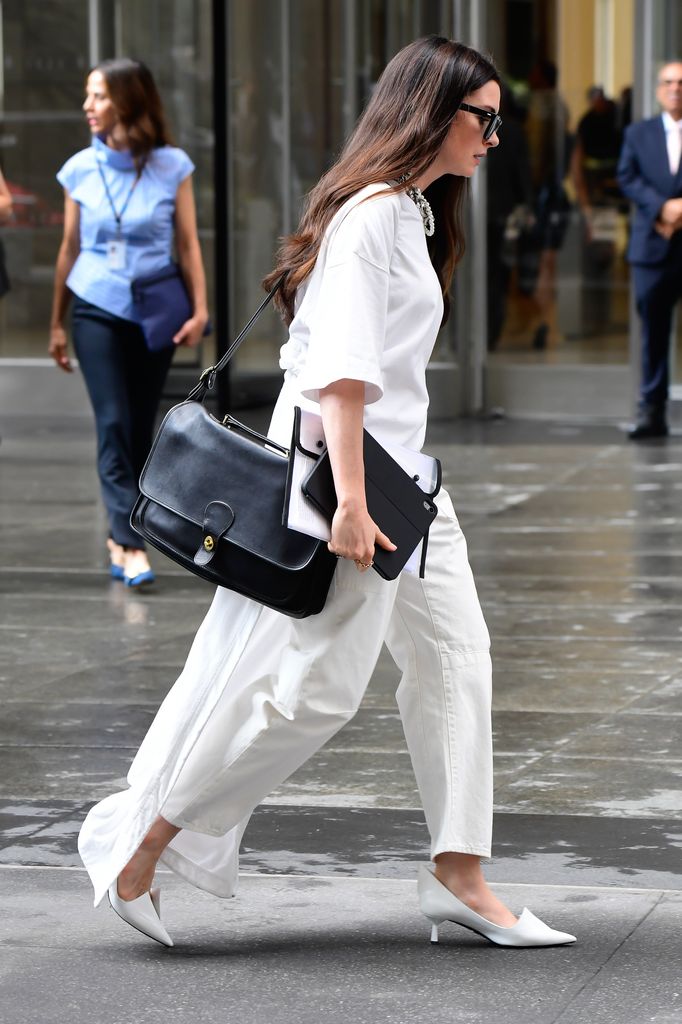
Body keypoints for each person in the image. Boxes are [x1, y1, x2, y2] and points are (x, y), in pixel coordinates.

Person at [78, 37, 576, 951]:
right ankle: (144, 845)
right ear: (432, 111)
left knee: (458, 660)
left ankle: (458, 875)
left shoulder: (416, 213)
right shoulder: (375, 215)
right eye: (486, 120)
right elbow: (340, 375)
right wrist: (349, 502)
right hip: (353, 485)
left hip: (406, 482)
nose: (496, 138)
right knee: (317, 693)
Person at [49, 58, 209, 584]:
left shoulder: (172, 165)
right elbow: (70, 248)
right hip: (95, 306)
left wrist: (200, 309)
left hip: (154, 311)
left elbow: (187, 244)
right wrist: (57, 322)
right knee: (113, 421)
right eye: (87, 96)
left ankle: (122, 533)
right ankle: (127, 540)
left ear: (127, 99)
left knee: (141, 427)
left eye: (98, 96)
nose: (87, 107)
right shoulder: (79, 168)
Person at [617, 61, 682, 440]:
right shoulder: (638, 133)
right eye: (669, 82)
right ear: (659, 89)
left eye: (681, 82)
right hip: (652, 249)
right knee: (653, 334)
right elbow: (627, 177)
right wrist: (663, 207)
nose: (676, 88)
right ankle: (652, 412)